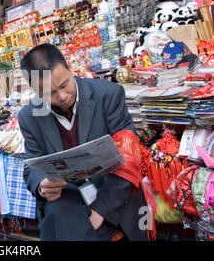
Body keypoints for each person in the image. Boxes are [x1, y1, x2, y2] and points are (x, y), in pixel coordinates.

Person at [18, 43, 149, 241]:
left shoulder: (108, 95)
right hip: (68, 197)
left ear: (69, 67)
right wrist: (42, 184)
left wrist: (100, 211)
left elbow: (129, 158)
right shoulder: (29, 117)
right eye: (50, 94)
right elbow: (31, 166)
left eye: (64, 85)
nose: (62, 96)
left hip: (113, 190)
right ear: (35, 89)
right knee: (64, 222)